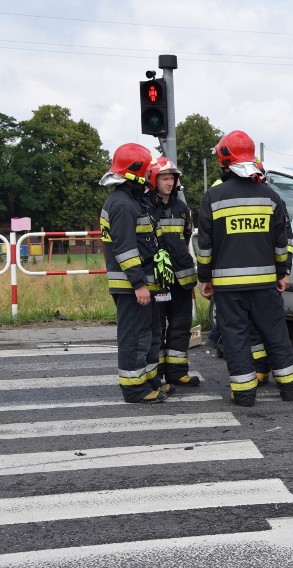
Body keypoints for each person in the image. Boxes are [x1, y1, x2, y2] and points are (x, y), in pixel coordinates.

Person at [197, 130, 293, 407]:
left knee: (236, 338)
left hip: (228, 288)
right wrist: (283, 272)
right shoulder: (270, 196)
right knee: (275, 334)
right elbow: (283, 242)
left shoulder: (213, 197)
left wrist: (204, 279)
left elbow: (205, 246)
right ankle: (291, 387)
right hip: (266, 284)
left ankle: (244, 394)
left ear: (223, 161)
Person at [99, 143, 167, 403]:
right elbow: (126, 249)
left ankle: (148, 380)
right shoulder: (123, 205)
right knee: (133, 337)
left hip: (139, 284)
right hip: (131, 286)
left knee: (148, 333)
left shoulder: (131, 200)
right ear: (136, 174)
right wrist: (139, 284)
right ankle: (134, 389)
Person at [146, 157, 200, 387]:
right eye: (164, 178)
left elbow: (186, 238)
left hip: (182, 276)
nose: (169, 183)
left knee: (181, 325)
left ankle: (178, 372)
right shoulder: (144, 206)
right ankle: (157, 375)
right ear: (153, 180)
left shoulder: (182, 208)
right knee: (157, 327)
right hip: (158, 277)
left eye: (172, 178)